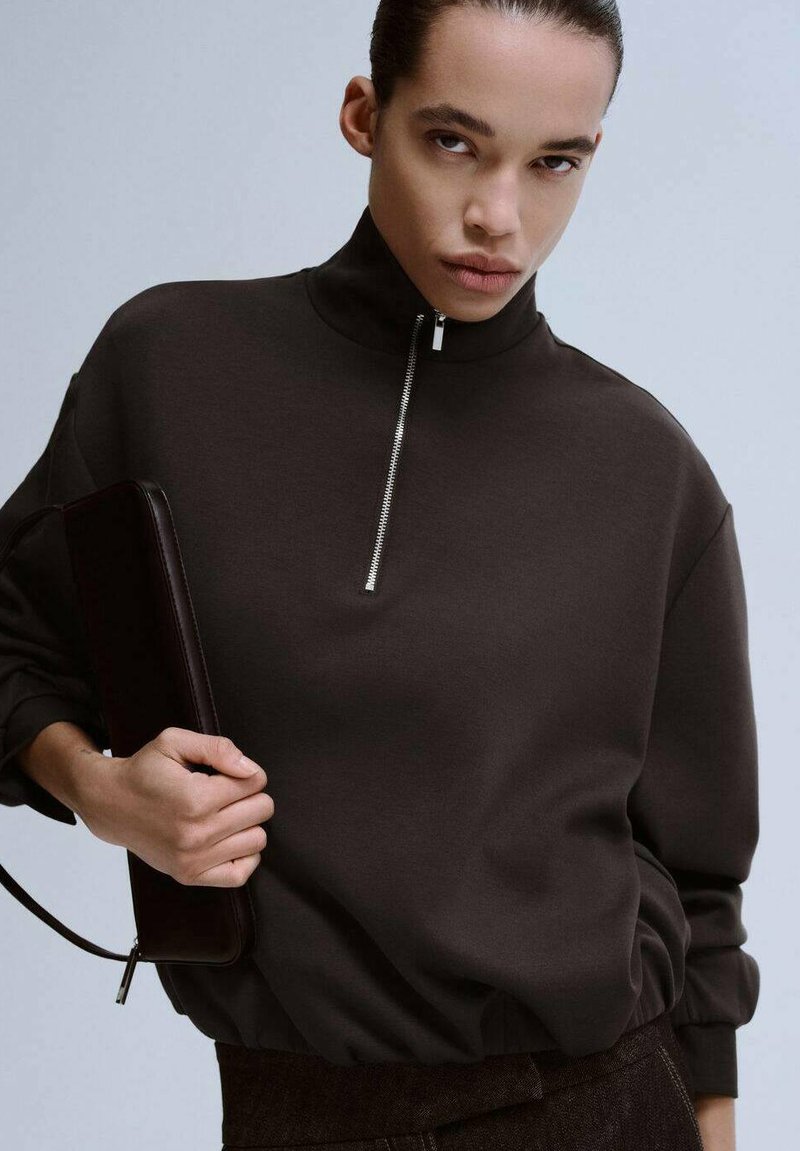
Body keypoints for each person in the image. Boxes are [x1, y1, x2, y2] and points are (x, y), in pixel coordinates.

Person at [0, 2, 759, 1149]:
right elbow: (12, 639)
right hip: (289, 1108)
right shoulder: (168, 365)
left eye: (553, 162)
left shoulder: (646, 469)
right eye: (452, 141)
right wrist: (99, 788)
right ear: (364, 114)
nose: (497, 215)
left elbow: (699, 884)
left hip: (595, 1104)